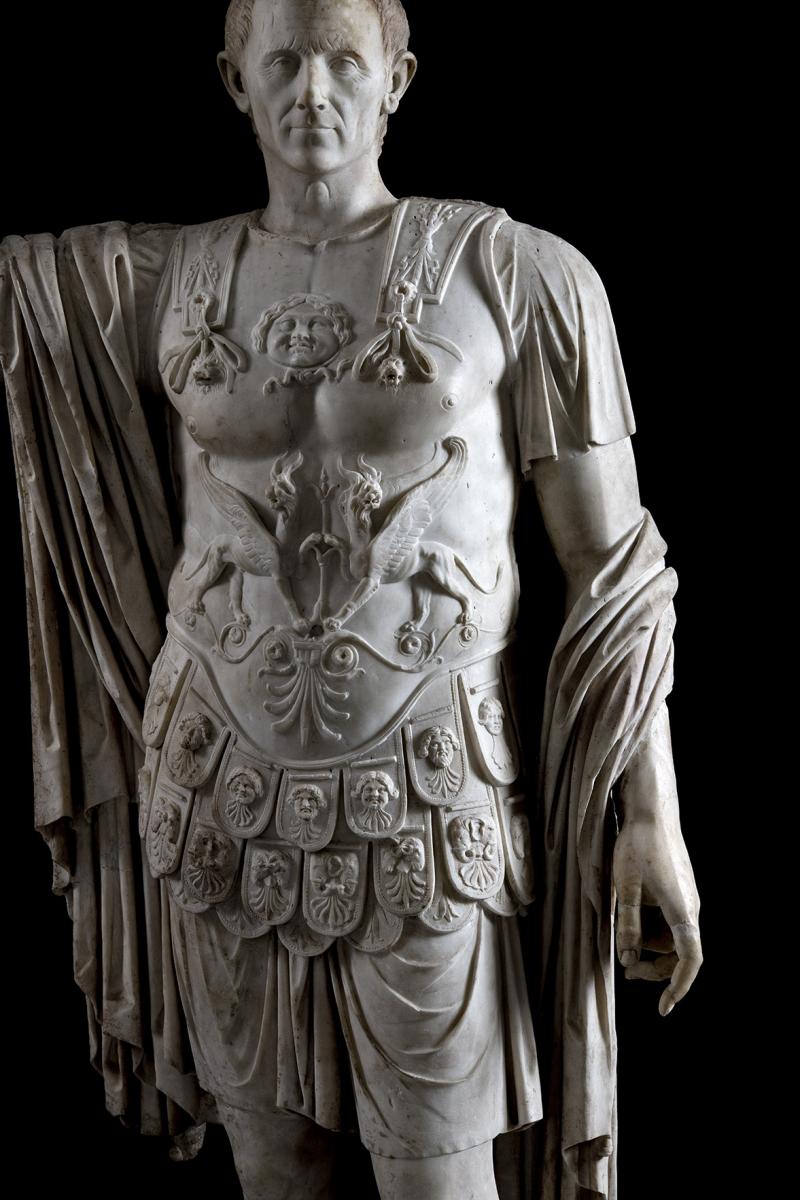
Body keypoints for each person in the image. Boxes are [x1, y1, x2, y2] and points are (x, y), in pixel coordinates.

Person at [0, 2, 702, 1198]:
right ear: (234, 78)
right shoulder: (165, 282)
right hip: (216, 787)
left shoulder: (513, 274)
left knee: (438, 1179)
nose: (311, 89)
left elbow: (614, 572)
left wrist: (652, 816)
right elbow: (35, 315)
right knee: (274, 1175)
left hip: (429, 792)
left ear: (397, 78)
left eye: (341, 59)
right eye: (281, 58)